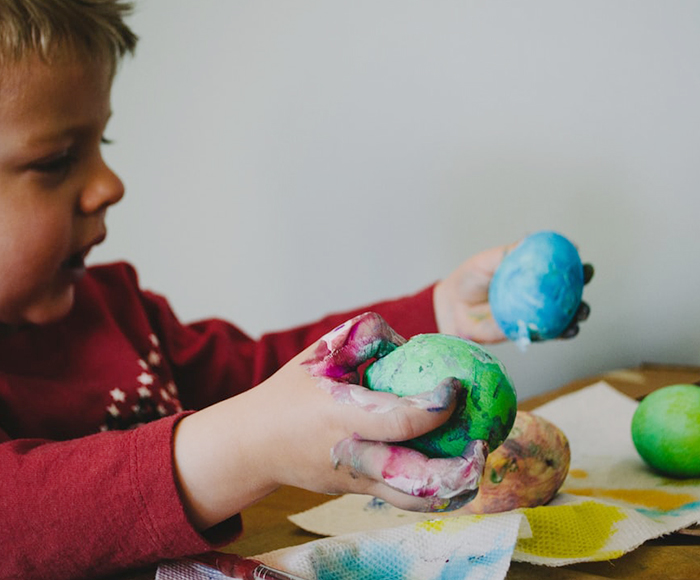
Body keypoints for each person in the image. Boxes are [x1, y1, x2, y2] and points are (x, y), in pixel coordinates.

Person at [0, 1, 592, 579]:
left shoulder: (121, 313)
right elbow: (16, 516)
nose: (110, 184)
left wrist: (436, 315)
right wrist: (247, 447)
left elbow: (267, 379)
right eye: (56, 160)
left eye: (103, 146)